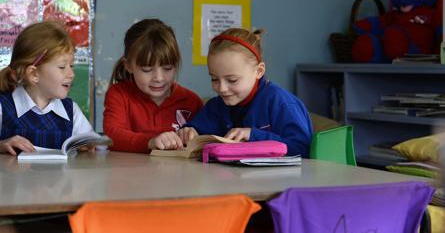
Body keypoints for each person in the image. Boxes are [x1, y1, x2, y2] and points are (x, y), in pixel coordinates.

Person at [179, 28, 312, 157]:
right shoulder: (217, 106)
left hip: (282, 179)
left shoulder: (281, 103)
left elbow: (302, 148)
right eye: (214, 79)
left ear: (259, 71)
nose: (221, 88)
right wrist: (189, 131)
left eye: (232, 80)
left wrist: (252, 135)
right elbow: (197, 131)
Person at [0, 20, 95, 155]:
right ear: (34, 74)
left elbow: (91, 147)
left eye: (71, 66)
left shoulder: (71, 111)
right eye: (62, 67)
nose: (71, 74)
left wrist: (88, 147)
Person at [103, 18, 204, 153]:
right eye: (147, 70)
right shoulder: (119, 95)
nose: (158, 78)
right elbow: (112, 136)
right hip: (129, 173)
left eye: (167, 68)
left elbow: (206, 141)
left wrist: (195, 136)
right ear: (129, 66)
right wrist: (150, 142)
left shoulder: (191, 101)